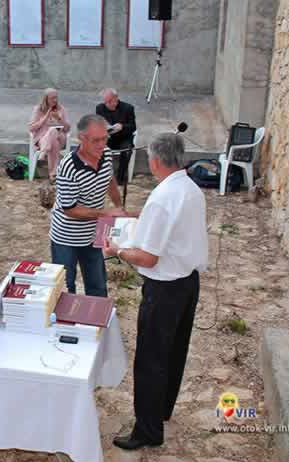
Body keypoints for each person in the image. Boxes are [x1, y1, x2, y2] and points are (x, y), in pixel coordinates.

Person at [102, 133, 208, 450]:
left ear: (155, 161)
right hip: (188, 282)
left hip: (164, 288)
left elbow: (147, 257)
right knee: (174, 351)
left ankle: (147, 431)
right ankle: (161, 411)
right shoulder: (190, 188)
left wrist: (118, 251)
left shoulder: (162, 198)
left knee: (150, 360)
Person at [50, 114, 124, 296]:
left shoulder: (105, 154)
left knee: (98, 285)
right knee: (65, 288)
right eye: (96, 140)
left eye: (105, 138)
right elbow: (70, 210)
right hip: (66, 236)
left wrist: (119, 206)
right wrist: (107, 213)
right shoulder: (68, 167)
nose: (102, 144)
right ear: (81, 138)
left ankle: (97, 320)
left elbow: (110, 180)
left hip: (93, 232)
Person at [29, 88, 71, 182]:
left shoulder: (61, 109)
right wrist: (46, 117)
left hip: (60, 138)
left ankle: (43, 152)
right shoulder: (38, 109)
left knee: (53, 131)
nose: (55, 100)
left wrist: (59, 119)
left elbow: (68, 128)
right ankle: (53, 175)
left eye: (56, 98)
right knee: (54, 142)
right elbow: (31, 128)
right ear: (46, 99)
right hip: (42, 139)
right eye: (52, 98)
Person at [95, 89, 137, 185]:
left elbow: (133, 127)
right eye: (106, 102)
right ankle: (100, 177)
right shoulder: (100, 108)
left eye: (110, 101)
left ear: (116, 98)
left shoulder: (128, 108)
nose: (107, 104)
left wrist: (122, 126)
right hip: (108, 138)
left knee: (127, 150)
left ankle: (120, 178)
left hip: (124, 138)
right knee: (96, 147)